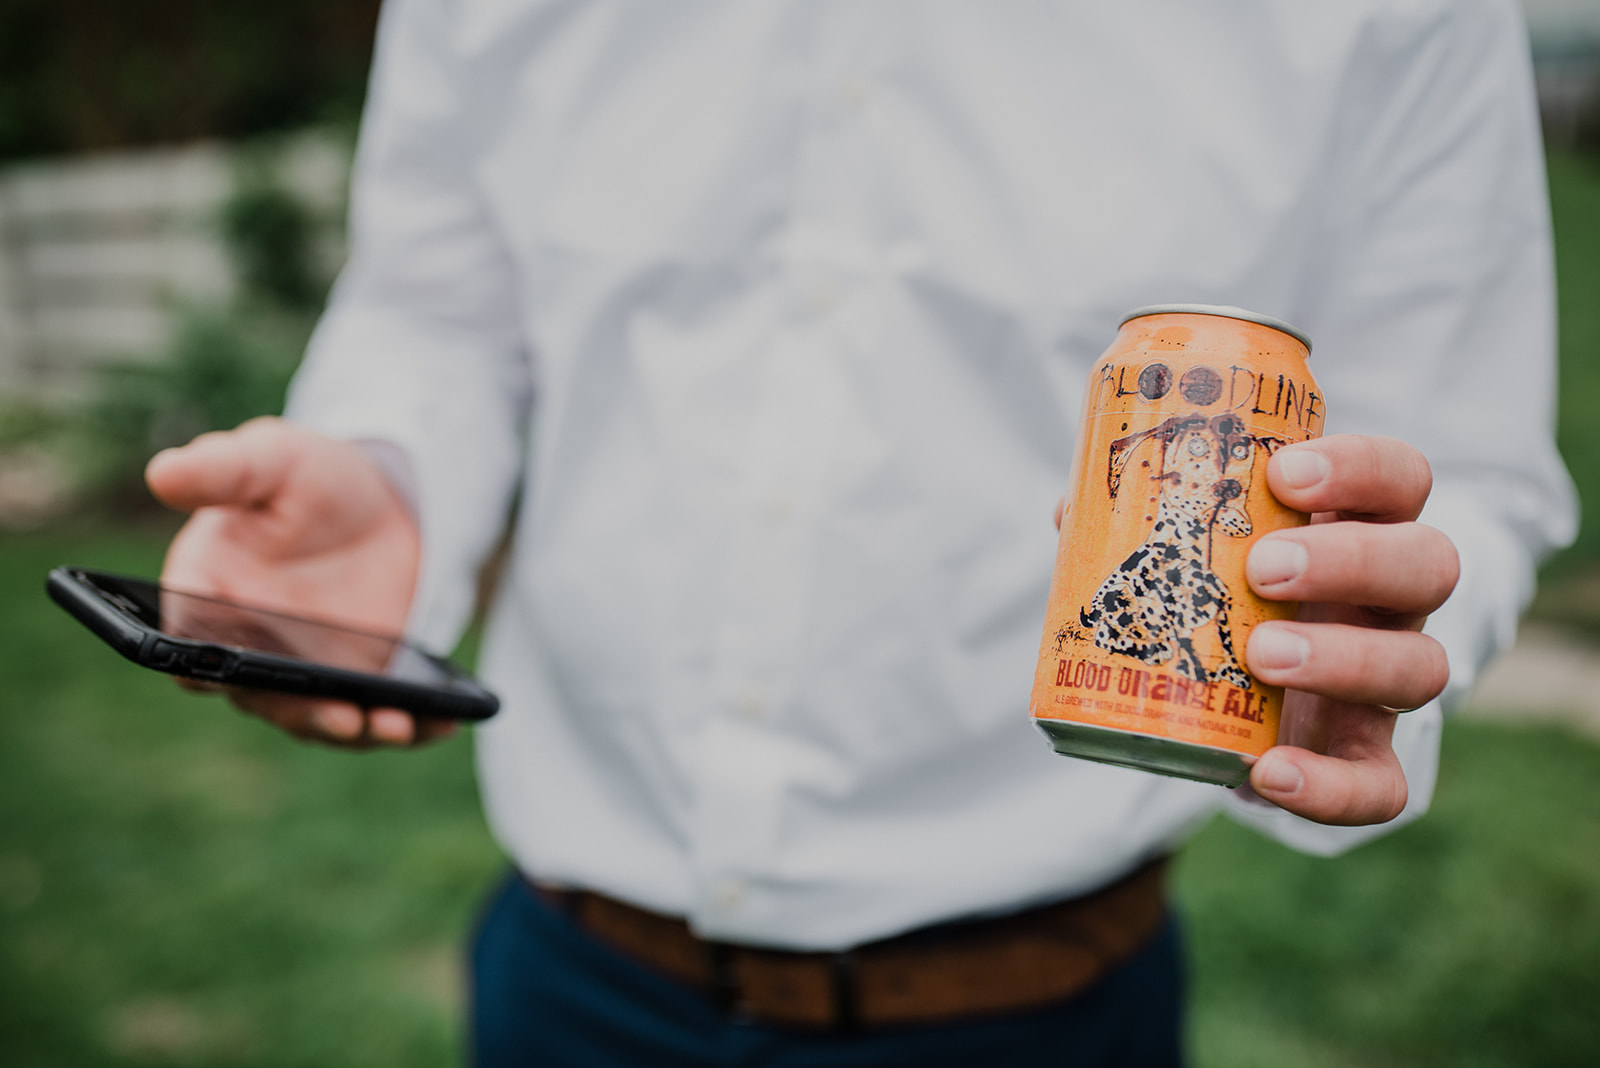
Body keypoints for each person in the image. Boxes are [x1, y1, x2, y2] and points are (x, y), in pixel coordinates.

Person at [145, 1, 1576, 1064]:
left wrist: (1354, 635)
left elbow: (1476, 457)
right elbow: (435, 310)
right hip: (561, 983)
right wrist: (394, 472)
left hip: (1039, 1014)